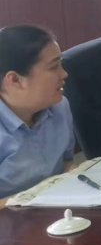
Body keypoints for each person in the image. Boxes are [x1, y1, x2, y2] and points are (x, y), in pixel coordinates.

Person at [0, 25, 76, 201]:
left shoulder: (59, 107)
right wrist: (34, 197)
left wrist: (72, 175)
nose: (64, 74)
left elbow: (67, 161)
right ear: (15, 80)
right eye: (53, 67)